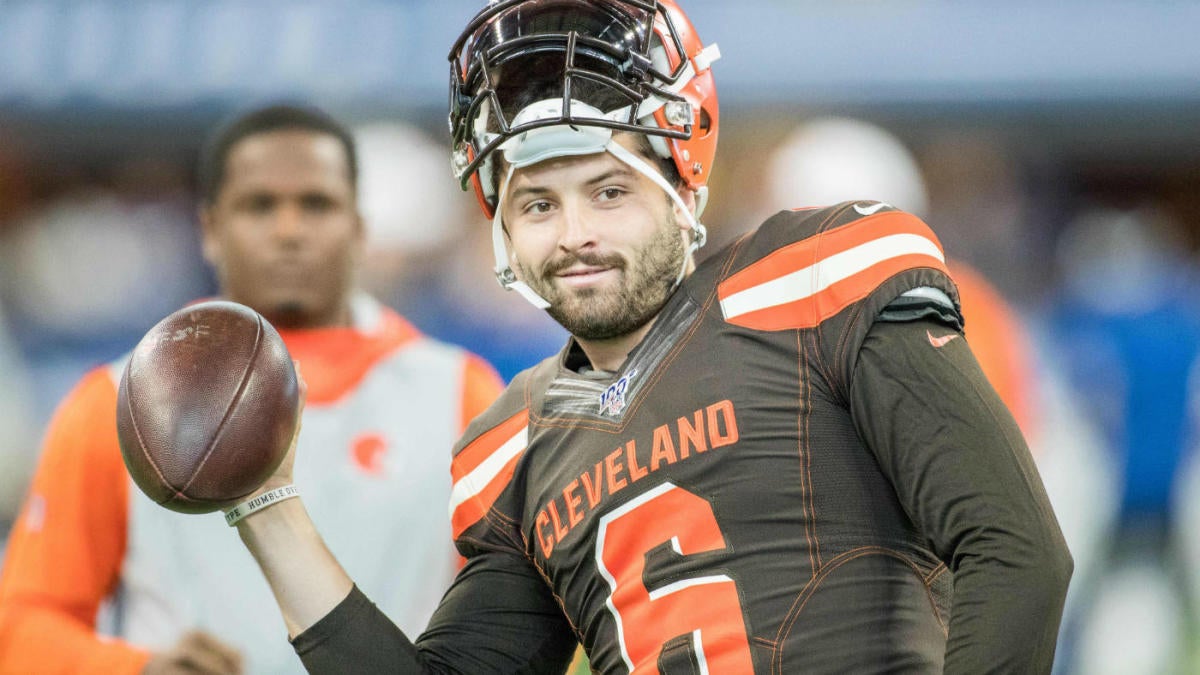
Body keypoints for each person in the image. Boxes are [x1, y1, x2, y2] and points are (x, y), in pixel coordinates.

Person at [203, 2, 1071, 672]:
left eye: (608, 191)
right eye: (537, 204)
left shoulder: (811, 281)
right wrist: (267, 504)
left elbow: (1017, 552)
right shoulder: (514, 447)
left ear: (681, 184)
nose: (574, 231)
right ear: (500, 227)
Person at [0, 104, 505, 674]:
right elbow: (23, 627)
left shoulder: (461, 395)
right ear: (210, 230)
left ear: (358, 228)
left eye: (316, 204)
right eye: (259, 205)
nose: (288, 229)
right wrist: (136, 670)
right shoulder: (117, 401)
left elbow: (522, 626)